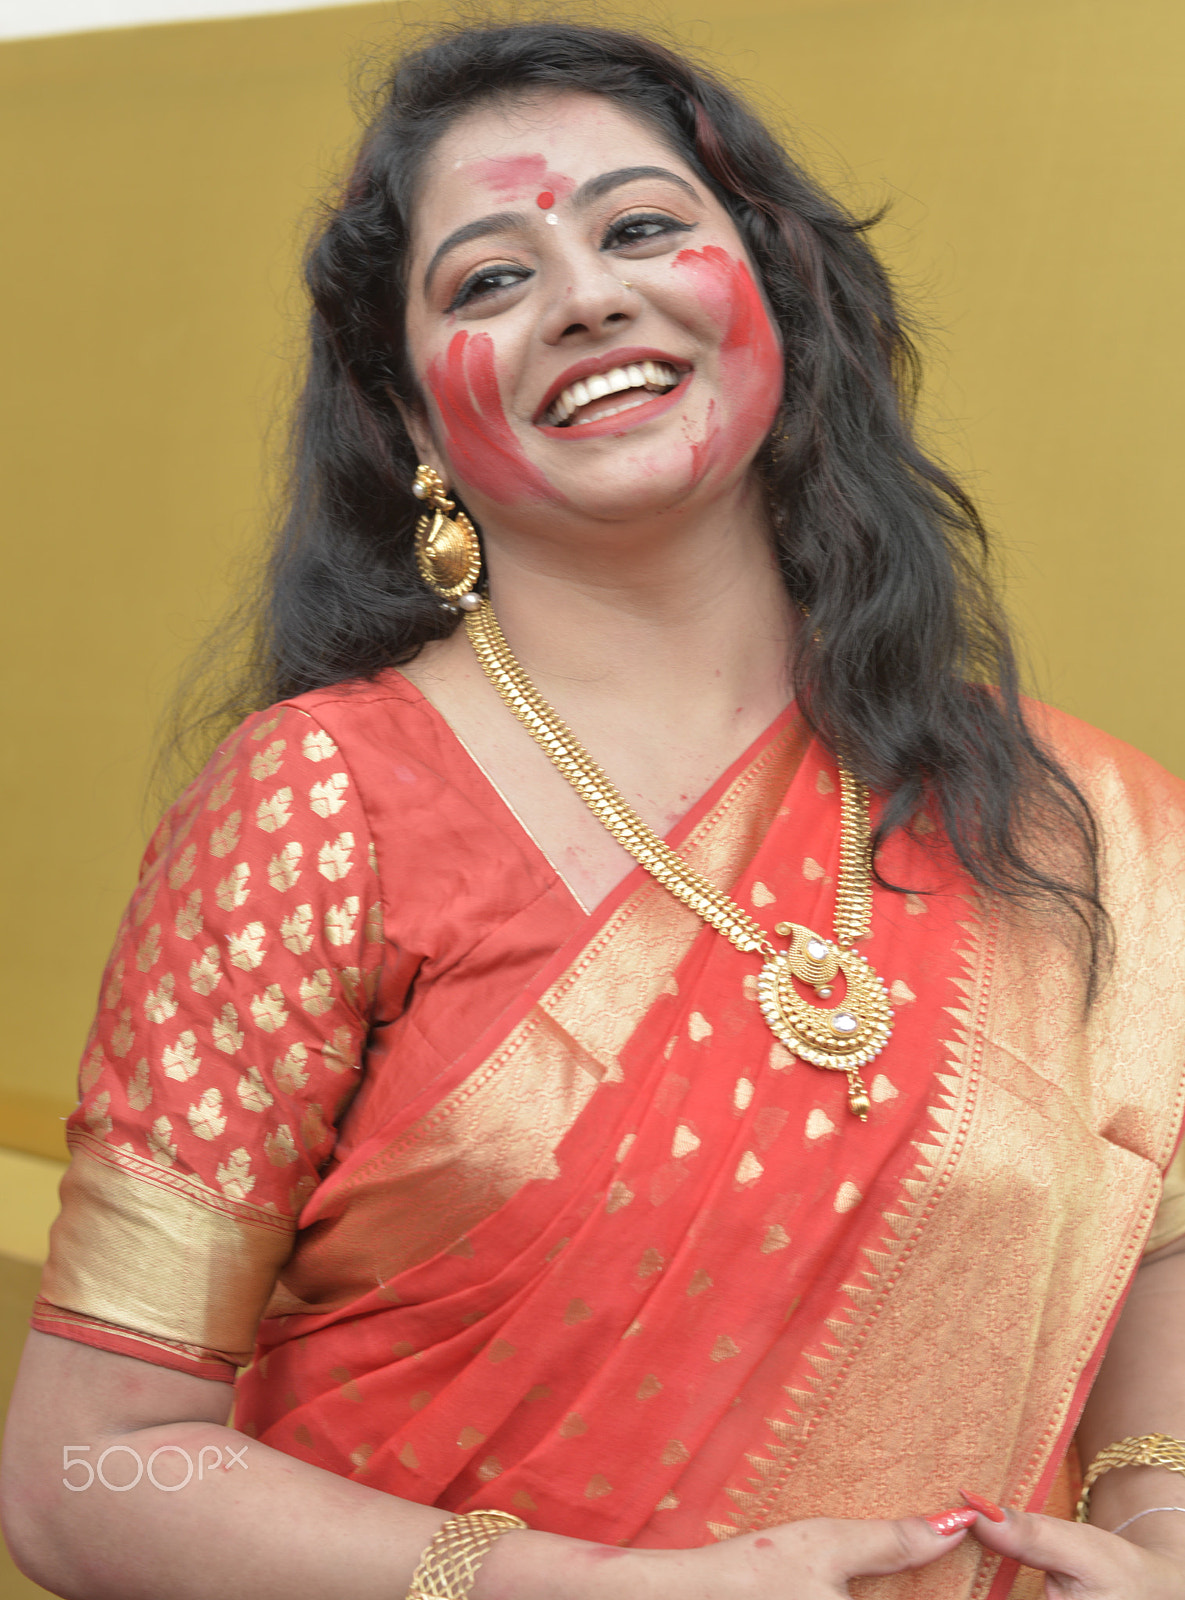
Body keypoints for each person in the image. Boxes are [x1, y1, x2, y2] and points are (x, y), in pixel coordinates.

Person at [2, 20, 1184, 1600]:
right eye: (488, 278)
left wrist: (1162, 1533)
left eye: (640, 228)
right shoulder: (320, 808)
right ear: (412, 419)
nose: (585, 295)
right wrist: (600, 1589)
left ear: (775, 294)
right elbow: (86, 1468)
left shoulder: (1077, 822)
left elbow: (1151, 1254)